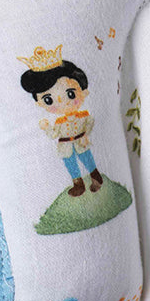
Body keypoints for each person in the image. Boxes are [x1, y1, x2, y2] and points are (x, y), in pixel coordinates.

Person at [18, 46, 103, 197]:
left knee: (86, 158)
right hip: (65, 145)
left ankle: (95, 176)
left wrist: (86, 134)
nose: (61, 102)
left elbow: (89, 122)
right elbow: (53, 134)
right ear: (40, 103)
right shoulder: (59, 123)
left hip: (80, 140)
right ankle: (78, 184)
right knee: (70, 163)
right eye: (48, 100)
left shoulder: (82, 115)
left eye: (70, 94)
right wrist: (46, 127)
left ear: (83, 92)